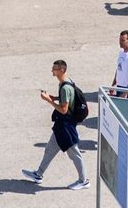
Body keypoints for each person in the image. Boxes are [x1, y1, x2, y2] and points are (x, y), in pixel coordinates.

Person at [22, 60, 90, 190]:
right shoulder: (66, 82)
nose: (52, 70)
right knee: (50, 148)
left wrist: (48, 101)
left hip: (66, 127)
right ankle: (39, 174)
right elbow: (68, 99)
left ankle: (84, 180)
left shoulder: (65, 87)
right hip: (61, 126)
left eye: (55, 68)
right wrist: (54, 98)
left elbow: (64, 109)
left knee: (74, 154)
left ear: (62, 70)